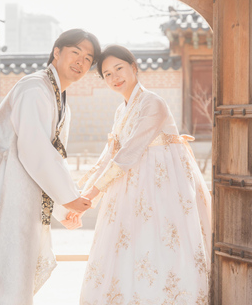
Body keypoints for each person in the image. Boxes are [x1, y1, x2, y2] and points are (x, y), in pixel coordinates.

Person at [0, 29, 101, 305]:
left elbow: (53, 157)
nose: (81, 62)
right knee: (2, 287)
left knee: (13, 285)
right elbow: (35, 149)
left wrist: (66, 206)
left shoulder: (59, 98)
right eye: (75, 52)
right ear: (57, 52)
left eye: (88, 58)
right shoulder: (34, 88)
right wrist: (69, 199)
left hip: (18, 198)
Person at [77, 45, 212, 304]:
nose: (115, 77)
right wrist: (85, 195)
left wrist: (94, 192)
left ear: (134, 67)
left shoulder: (152, 102)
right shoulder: (121, 110)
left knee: (161, 242)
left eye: (119, 69)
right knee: (130, 244)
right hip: (131, 183)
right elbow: (111, 152)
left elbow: (129, 151)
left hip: (162, 184)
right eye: (107, 74)